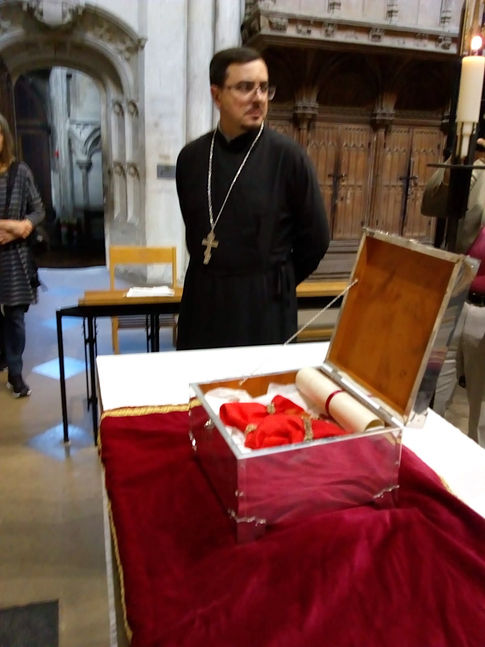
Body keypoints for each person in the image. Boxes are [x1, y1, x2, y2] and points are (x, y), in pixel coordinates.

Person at [175, 47, 330, 350]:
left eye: (264, 88)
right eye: (245, 87)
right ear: (217, 95)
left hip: (263, 308)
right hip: (202, 301)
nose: (258, 98)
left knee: (261, 382)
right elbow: (195, 226)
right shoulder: (191, 158)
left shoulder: (289, 158)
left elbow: (316, 240)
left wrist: (275, 281)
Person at [421, 136, 485, 447]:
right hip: (455, 297)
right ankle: (431, 454)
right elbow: (431, 202)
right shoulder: (477, 169)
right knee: (433, 394)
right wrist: (462, 158)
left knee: (481, 410)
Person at [0, 113, 45, 397]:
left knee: (16, 318)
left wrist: (24, 226)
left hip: (14, 258)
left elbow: (38, 210)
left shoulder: (21, 172)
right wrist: (11, 226)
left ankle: (15, 373)